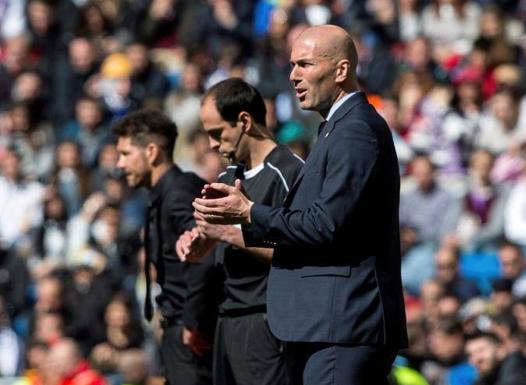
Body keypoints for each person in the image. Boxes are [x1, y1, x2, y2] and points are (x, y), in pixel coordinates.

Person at [192, 24, 408, 385]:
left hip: (344, 323)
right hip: (327, 324)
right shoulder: (333, 128)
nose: (293, 76)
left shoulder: (355, 130)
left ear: (341, 70)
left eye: (305, 65)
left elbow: (327, 225)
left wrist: (248, 213)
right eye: (292, 65)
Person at [178, 77, 303, 385]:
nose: (211, 144)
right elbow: (215, 240)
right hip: (228, 318)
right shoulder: (228, 175)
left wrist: (231, 234)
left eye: (217, 133)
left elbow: (303, 255)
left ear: (244, 121)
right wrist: (199, 244)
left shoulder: (290, 173)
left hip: (267, 322)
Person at [113, 109, 215, 385]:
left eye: (125, 154)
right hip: (179, 330)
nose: (119, 164)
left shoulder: (180, 193)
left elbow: (207, 251)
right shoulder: (163, 195)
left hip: (192, 336)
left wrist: (193, 322)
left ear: (151, 152)